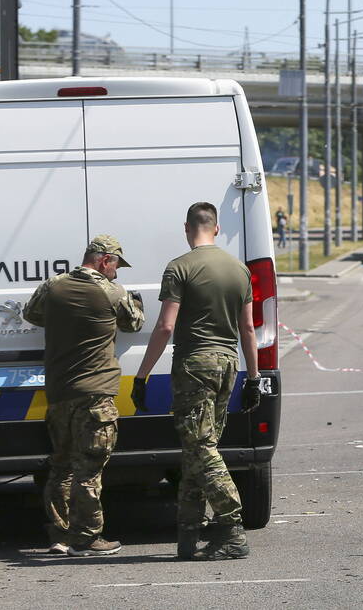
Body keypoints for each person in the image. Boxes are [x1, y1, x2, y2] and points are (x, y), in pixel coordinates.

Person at [133, 201, 259, 561]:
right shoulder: (239, 269)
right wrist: (253, 378)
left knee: (201, 447)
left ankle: (232, 525)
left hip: (194, 366)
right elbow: (248, 328)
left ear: (187, 228)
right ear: (216, 228)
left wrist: (141, 375)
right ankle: (188, 535)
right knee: (196, 450)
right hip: (229, 365)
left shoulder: (179, 268)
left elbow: (166, 326)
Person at [24, 234, 144, 557]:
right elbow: (134, 323)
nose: (117, 272)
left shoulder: (54, 286)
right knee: (89, 468)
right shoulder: (110, 291)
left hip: (60, 393)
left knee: (61, 465)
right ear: (105, 260)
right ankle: (88, 537)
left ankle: (60, 535)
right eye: (116, 265)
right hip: (95, 396)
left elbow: (31, 314)